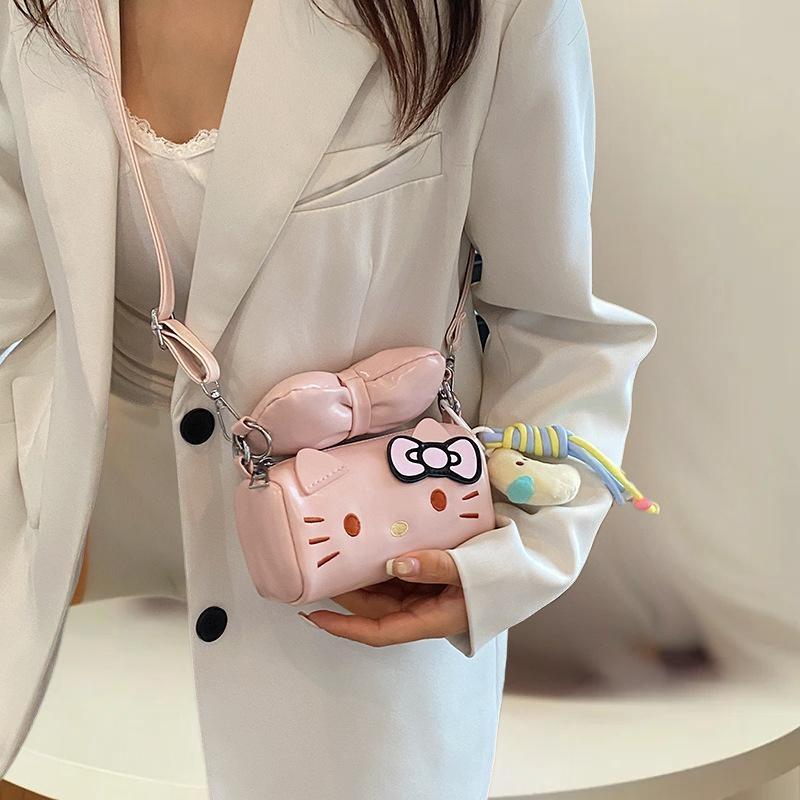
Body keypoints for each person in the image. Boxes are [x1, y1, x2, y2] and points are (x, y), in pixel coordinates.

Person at [0, 0, 657, 796]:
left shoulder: (497, 13)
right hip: (62, 632)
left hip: (354, 637)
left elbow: (556, 326)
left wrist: (510, 559)